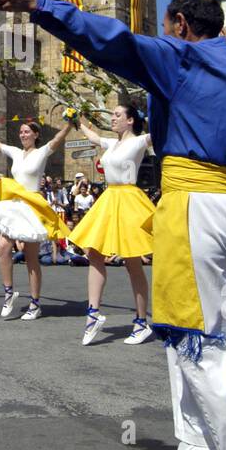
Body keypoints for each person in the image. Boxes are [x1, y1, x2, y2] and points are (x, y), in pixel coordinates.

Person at [0, 0, 226, 450]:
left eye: (168, 27)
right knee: (185, 327)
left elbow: (112, 40)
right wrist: (225, 39)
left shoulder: (183, 58)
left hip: (196, 202)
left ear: (179, 26)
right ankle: (196, 439)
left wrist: (39, 5)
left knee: (204, 344)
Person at [0, 116, 74, 320]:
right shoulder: (16, 153)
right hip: (15, 206)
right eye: (21, 132)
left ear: (35, 135)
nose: (23, 134)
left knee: (30, 257)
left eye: (27, 131)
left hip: (32, 206)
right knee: (3, 246)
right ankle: (8, 292)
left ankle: (35, 304)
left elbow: (57, 139)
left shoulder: (42, 152)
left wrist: (70, 125)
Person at [68, 106, 155, 346]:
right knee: (93, 252)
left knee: (132, 261)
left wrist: (161, 110)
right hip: (109, 199)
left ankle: (141, 322)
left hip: (129, 199)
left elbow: (159, 132)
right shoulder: (111, 143)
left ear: (130, 120)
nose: (113, 118)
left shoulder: (139, 141)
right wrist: (77, 121)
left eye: (117, 115)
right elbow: (94, 138)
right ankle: (93, 313)